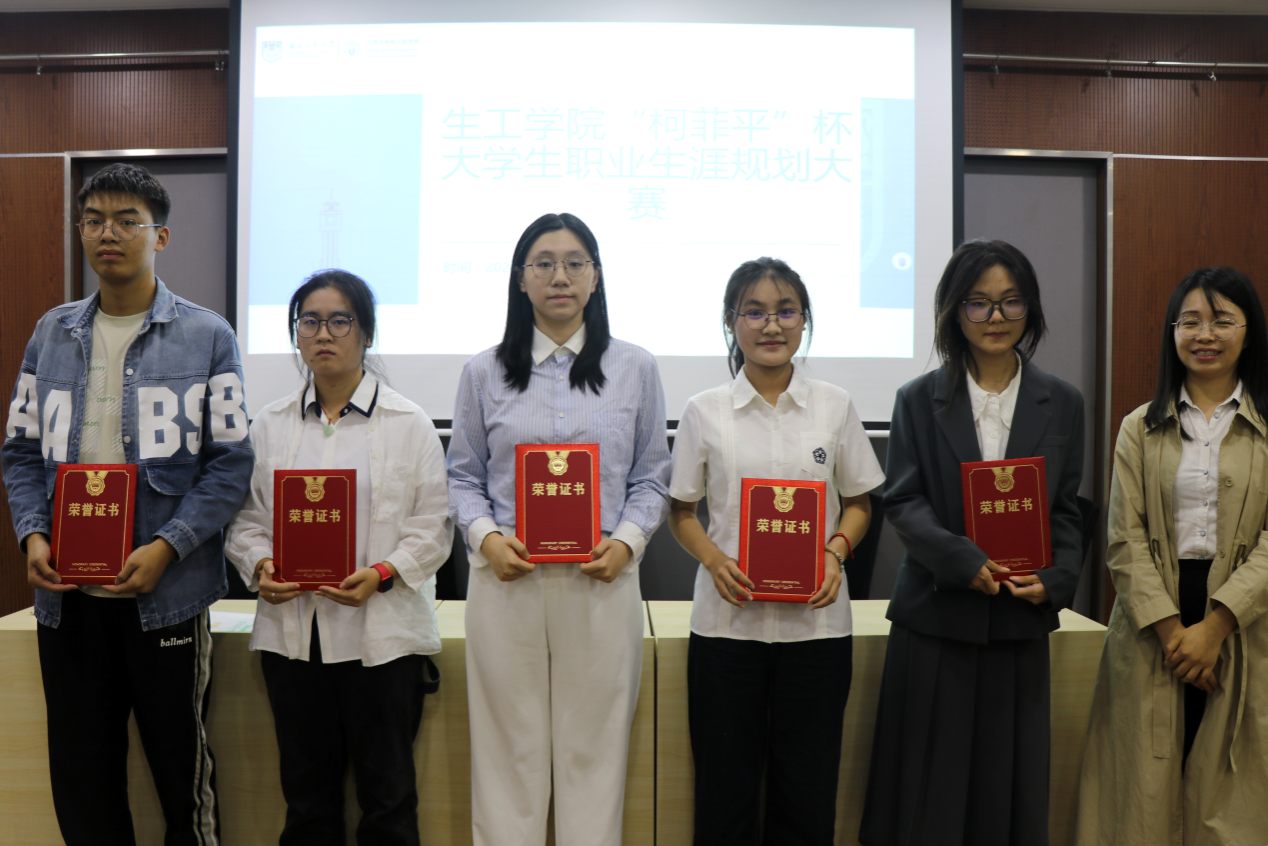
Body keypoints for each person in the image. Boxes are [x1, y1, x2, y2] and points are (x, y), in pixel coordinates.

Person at [1, 162, 253, 845]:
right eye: (93, 220)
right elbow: (20, 451)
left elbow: (231, 463)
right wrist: (33, 534)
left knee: (182, 778)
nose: (107, 233)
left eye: (125, 220)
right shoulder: (51, 333)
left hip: (166, 594)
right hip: (68, 600)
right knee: (81, 779)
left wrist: (169, 545)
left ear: (159, 236)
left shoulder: (208, 336)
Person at [446, 212, 672, 846]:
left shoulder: (635, 367)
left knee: (593, 754)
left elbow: (653, 477)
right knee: (507, 753)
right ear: (521, 280)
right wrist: (487, 538)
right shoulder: (483, 372)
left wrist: (626, 542)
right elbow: (461, 477)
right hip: (507, 581)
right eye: (543, 264)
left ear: (596, 277)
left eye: (575, 263)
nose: (560, 277)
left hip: (601, 579)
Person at [858, 239, 1086, 846]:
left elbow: (1066, 509)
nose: (995, 317)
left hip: (1018, 617)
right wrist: (963, 561)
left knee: (1006, 791)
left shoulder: (1062, 401)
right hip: (938, 615)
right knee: (929, 792)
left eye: (1011, 302)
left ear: (1031, 309)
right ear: (954, 311)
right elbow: (904, 500)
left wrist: (1056, 579)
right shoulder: (916, 398)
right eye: (978, 303)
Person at [225, 269, 451, 846]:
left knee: (388, 802)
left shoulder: (409, 423)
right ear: (296, 334)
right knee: (307, 803)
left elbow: (434, 526)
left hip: (383, 639)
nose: (323, 334)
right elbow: (246, 519)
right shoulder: (270, 424)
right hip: (296, 638)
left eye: (340, 321)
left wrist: (381, 574)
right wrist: (260, 566)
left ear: (367, 334)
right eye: (310, 321)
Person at [666, 257, 884, 845]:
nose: (771, 325)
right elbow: (681, 512)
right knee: (725, 794)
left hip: (816, 629)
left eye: (786, 311)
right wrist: (714, 560)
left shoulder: (834, 405)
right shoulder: (703, 410)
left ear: (804, 320)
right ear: (731, 321)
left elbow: (860, 502)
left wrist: (835, 551)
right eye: (755, 312)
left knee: (807, 793)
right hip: (726, 628)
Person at [1075, 267, 1268, 845]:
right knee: (1143, 794)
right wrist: (1173, 632)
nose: (1204, 334)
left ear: (1249, 333)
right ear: (1172, 332)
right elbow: (1123, 539)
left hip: (1244, 620)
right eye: (1190, 321)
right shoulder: (1140, 426)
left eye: (1221, 320)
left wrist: (1216, 627)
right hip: (1152, 624)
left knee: (1233, 793)